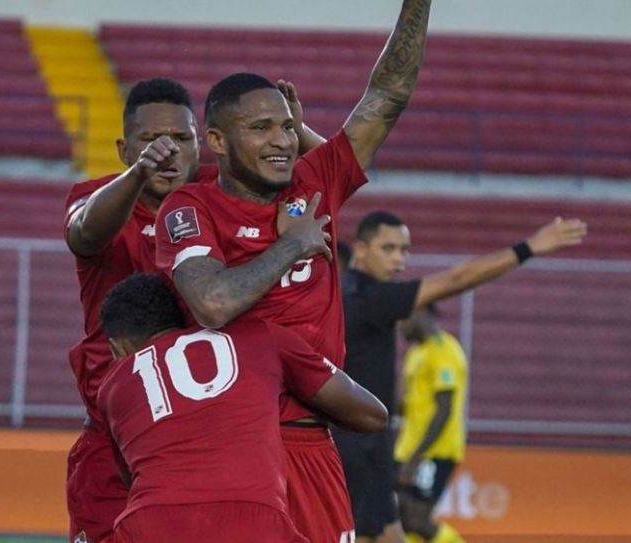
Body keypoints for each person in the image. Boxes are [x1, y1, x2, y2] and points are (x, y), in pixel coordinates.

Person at [156, 2, 438, 539]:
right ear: (216, 141)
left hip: (314, 442)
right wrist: (295, 246)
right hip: (232, 442)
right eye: (261, 128)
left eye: (288, 126)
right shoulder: (190, 208)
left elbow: (386, 96)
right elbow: (211, 303)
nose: (283, 140)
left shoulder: (316, 182)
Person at [63, 77, 323, 543]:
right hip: (114, 433)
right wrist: (139, 175)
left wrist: (297, 132)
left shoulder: (222, 197)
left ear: (204, 144)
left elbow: (325, 176)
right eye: (150, 141)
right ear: (125, 149)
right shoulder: (99, 197)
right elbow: (82, 233)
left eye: (182, 139)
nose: (167, 151)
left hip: (205, 440)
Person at [333, 210, 587, 543]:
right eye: (388, 248)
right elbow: (458, 279)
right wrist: (529, 248)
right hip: (360, 447)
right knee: (388, 529)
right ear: (361, 250)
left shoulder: (351, 297)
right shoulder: (370, 298)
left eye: (404, 250)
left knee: (392, 533)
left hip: (371, 445)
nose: (399, 259)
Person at [95, 273, 388, 543]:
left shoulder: (111, 387)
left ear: (118, 348)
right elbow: (371, 415)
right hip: (250, 516)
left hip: (149, 522)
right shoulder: (260, 336)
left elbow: (132, 476)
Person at [395, 305, 467, 543]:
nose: (400, 325)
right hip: (407, 449)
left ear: (421, 312)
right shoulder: (417, 352)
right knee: (399, 518)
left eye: (403, 317)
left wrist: (416, 458)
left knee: (416, 520)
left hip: (433, 452)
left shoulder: (443, 350)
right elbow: (411, 403)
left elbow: (444, 410)